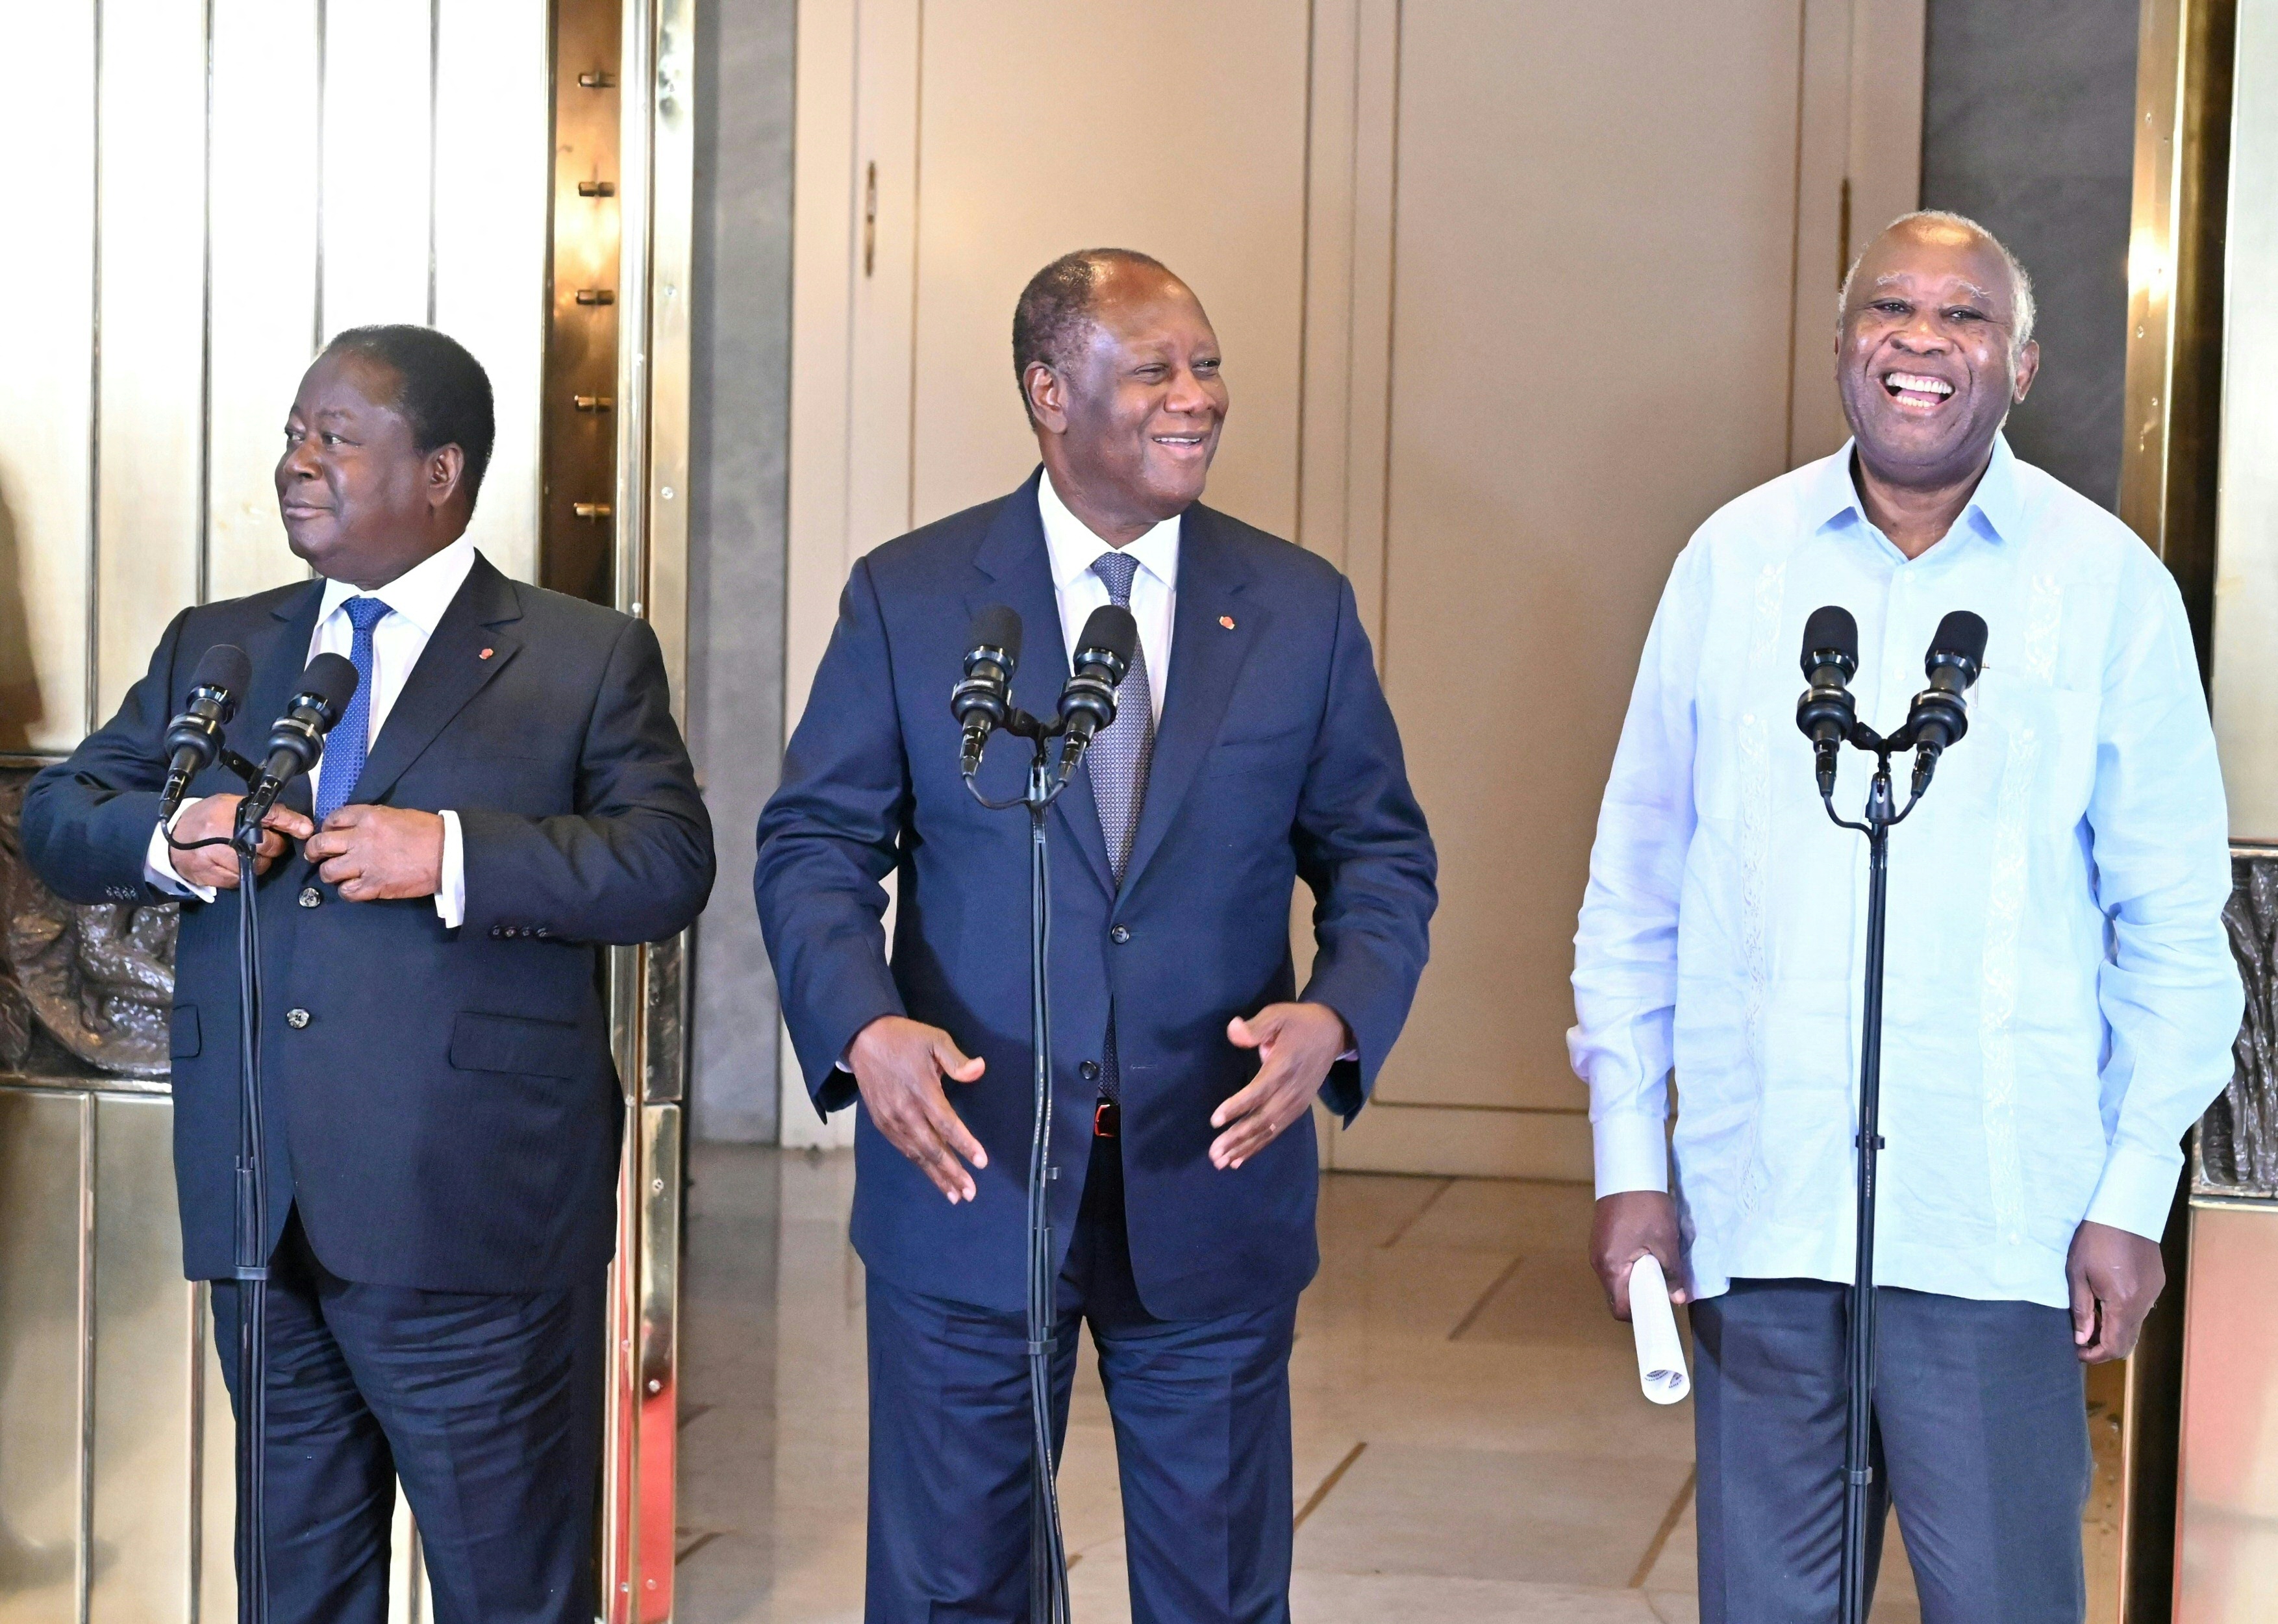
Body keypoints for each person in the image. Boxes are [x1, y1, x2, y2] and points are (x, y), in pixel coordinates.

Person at [1571, 209, 2241, 1623]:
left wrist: (2130, 1192)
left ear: (2023, 362)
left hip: (1995, 1230)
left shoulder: (2100, 584)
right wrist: (1631, 1156)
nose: (1921, 344)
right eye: (1891, 311)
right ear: (1837, 346)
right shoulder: (1734, 564)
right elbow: (1635, 877)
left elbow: (2174, 923)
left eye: (1963, 318)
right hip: (1765, 1214)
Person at [756, 249, 1436, 1622]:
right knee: (954, 1591)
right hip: (972, 1175)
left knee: (1217, 1595)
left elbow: (1376, 852)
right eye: (1155, 371)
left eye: (1206, 365)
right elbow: (815, 846)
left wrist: (1338, 1014)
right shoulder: (913, 593)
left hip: (1210, 1176)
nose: (1197, 398)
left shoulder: (1295, 605)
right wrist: (861, 1026)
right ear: (1048, 393)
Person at [21, 325, 715, 1624]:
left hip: (475, 1221)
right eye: (294, 432)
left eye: (335, 437)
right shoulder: (220, 646)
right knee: (293, 1592)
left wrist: (451, 852)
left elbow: (666, 864)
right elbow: (63, 818)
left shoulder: (580, 656)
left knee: (506, 1587)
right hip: (262, 1212)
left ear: (440, 471)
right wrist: (171, 841)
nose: (298, 462)